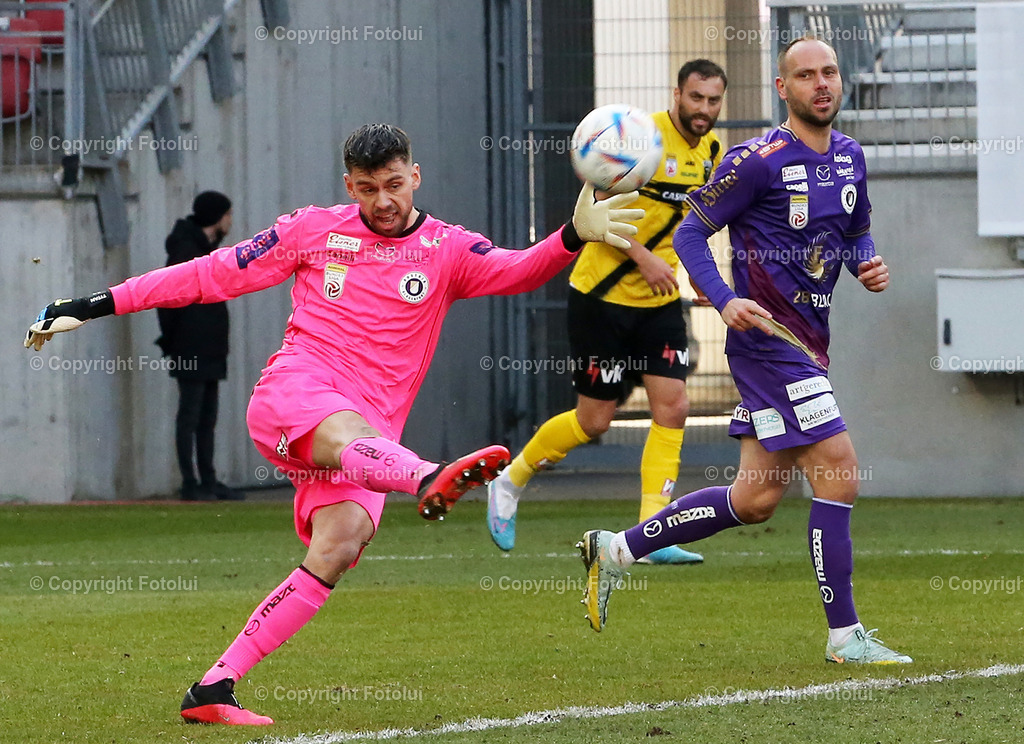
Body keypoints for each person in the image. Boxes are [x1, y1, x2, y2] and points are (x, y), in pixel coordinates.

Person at [24, 123, 643, 725]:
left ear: (415, 177)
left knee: (341, 539)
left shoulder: (448, 249)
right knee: (353, 435)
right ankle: (427, 477)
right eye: (369, 188)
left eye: (395, 184)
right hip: (295, 399)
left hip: (368, 440)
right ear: (350, 185)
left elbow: (517, 270)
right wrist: (94, 303)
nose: (384, 200)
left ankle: (213, 685)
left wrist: (570, 236)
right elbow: (208, 275)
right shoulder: (312, 232)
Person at [576, 37, 913, 665]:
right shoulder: (754, 160)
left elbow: (856, 227)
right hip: (766, 342)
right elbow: (692, 231)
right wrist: (725, 300)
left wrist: (865, 263)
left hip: (810, 344)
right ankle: (845, 636)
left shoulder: (850, 156)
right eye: (805, 75)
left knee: (754, 500)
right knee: (839, 469)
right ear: (782, 89)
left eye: (830, 73)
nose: (821, 84)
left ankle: (615, 549)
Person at [486, 60, 727, 564]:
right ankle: (509, 482)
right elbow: (593, 218)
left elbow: (689, 227)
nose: (704, 109)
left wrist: (701, 279)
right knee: (594, 420)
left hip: (659, 304)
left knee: (674, 406)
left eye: (713, 100)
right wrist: (644, 259)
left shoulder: (711, 153)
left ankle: (651, 531)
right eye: (696, 98)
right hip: (601, 298)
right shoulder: (637, 138)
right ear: (677, 93)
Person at [156, 190, 242, 501]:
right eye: (228, 215)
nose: (231, 221)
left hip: (209, 349)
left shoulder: (206, 250)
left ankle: (207, 479)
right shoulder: (185, 251)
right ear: (216, 217)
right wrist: (172, 341)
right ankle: (191, 483)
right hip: (190, 348)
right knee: (190, 416)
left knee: (207, 417)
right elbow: (166, 298)